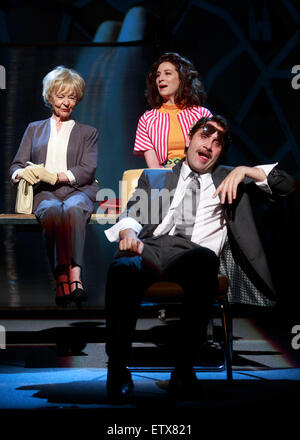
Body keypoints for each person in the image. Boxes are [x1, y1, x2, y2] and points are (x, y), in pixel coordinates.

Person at [104, 114, 296, 402]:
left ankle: (183, 369)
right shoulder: (156, 178)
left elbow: (288, 185)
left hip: (194, 253)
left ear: (220, 154)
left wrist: (245, 170)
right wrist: (128, 234)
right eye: (205, 135)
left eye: (218, 142)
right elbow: (133, 213)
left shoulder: (232, 179)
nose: (210, 143)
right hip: (153, 247)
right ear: (190, 141)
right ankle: (117, 368)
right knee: (122, 267)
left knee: (205, 262)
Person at [9, 66, 99, 308]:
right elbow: (16, 165)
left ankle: (76, 277)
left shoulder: (88, 133)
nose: (66, 102)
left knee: (72, 209)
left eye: (71, 97)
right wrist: (22, 173)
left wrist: (57, 176)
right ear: (49, 97)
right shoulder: (34, 129)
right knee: (51, 210)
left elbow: (87, 168)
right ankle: (61, 278)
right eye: (61, 96)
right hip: (44, 193)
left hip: (78, 190)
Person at [133, 52, 212, 168]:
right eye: (158, 75)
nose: (160, 79)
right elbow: (154, 168)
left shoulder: (201, 115)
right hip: (165, 179)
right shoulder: (147, 119)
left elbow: (210, 153)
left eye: (167, 74)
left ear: (182, 78)